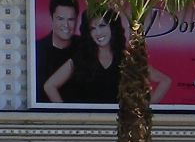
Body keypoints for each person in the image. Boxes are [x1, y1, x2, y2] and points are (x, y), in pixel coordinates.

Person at [43, 8, 172, 105]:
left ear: (113, 28)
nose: (98, 32)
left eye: (102, 26)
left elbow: (165, 80)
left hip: (121, 125)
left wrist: (146, 110)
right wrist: (67, 114)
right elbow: (49, 86)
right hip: (87, 126)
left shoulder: (126, 58)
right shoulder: (81, 59)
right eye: (92, 29)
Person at [35, 0, 83, 103]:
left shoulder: (85, 47)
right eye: (60, 19)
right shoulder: (37, 50)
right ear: (51, 18)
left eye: (71, 19)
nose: (66, 25)